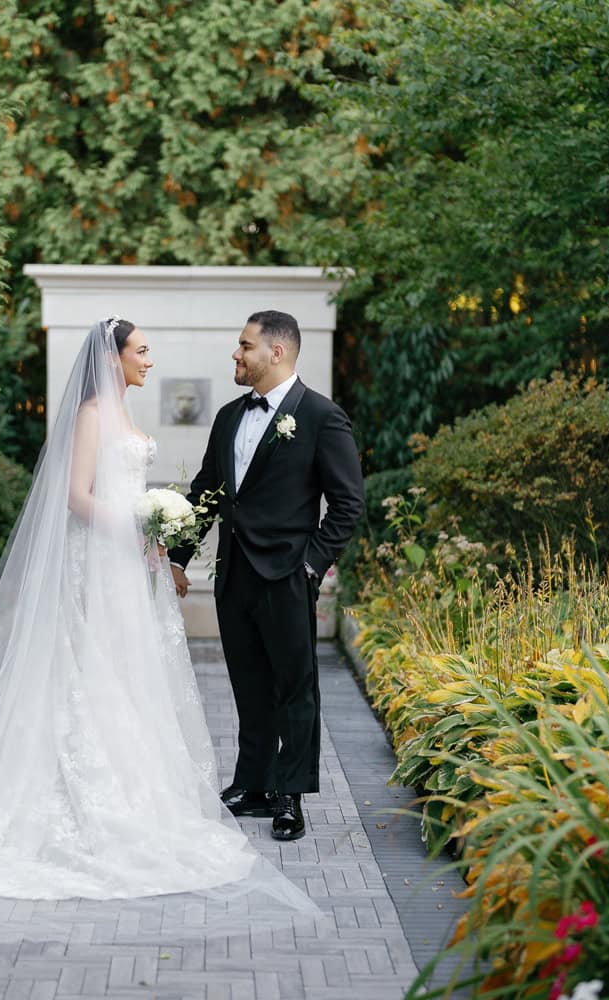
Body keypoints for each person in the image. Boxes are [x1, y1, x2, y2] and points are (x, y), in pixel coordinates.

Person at [0, 317, 315, 945]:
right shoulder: (95, 414)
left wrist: (159, 539)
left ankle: (146, 794)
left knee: (127, 676)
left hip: (130, 567)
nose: (150, 360)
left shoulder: (127, 411)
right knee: (92, 672)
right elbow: (75, 495)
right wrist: (138, 525)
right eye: (142, 351)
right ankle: (83, 799)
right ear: (114, 357)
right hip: (98, 561)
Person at [168, 310, 363, 842]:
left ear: (276, 352)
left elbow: (348, 504)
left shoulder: (322, 417)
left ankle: (289, 794)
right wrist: (178, 557)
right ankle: (252, 784)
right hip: (234, 577)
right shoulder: (230, 416)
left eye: (245, 345)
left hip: (286, 576)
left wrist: (309, 565)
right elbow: (207, 492)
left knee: (293, 690)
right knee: (248, 686)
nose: (237, 353)